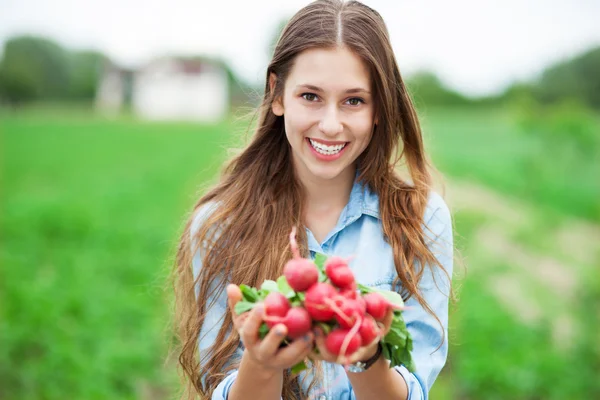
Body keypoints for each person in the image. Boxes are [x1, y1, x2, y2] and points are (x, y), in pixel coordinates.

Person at [174, 0, 454, 399]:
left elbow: (412, 390)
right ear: (277, 95)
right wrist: (262, 362)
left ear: (379, 109)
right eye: (310, 96)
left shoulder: (421, 219)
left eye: (354, 101)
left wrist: (364, 356)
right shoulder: (220, 222)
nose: (330, 124)